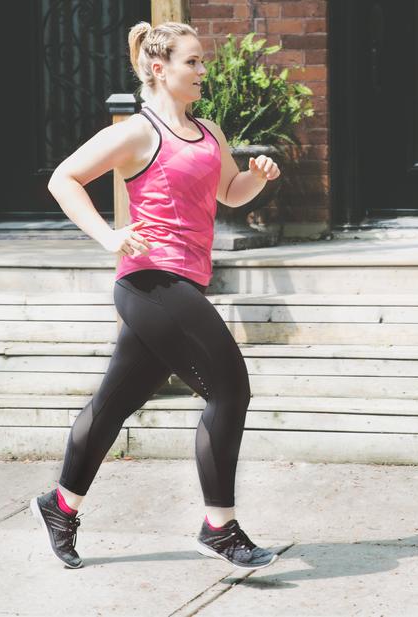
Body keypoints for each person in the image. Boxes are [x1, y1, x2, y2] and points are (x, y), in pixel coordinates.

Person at [30, 21, 282, 570]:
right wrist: (109, 235)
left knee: (114, 404)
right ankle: (220, 527)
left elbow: (230, 193)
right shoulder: (138, 133)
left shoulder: (209, 130)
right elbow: (63, 179)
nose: (202, 72)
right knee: (230, 387)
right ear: (159, 68)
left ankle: (60, 505)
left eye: (201, 62)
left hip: (182, 283)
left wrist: (258, 176)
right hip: (148, 281)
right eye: (192, 62)